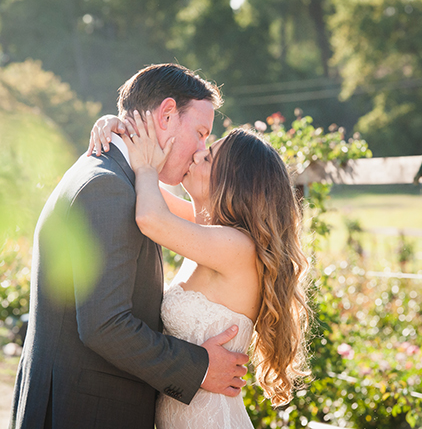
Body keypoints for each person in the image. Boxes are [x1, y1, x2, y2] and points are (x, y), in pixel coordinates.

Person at [8, 63, 249, 429]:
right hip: (84, 413)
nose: (202, 149)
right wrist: (199, 367)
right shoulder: (110, 188)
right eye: (200, 133)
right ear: (166, 114)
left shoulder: (114, 174)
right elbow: (105, 324)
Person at [88, 111, 312, 428]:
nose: (196, 155)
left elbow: (151, 217)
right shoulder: (206, 230)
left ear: (232, 184)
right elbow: (137, 188)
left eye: (207, 158)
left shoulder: (236, 247)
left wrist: (148, 166)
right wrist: (116, 128)